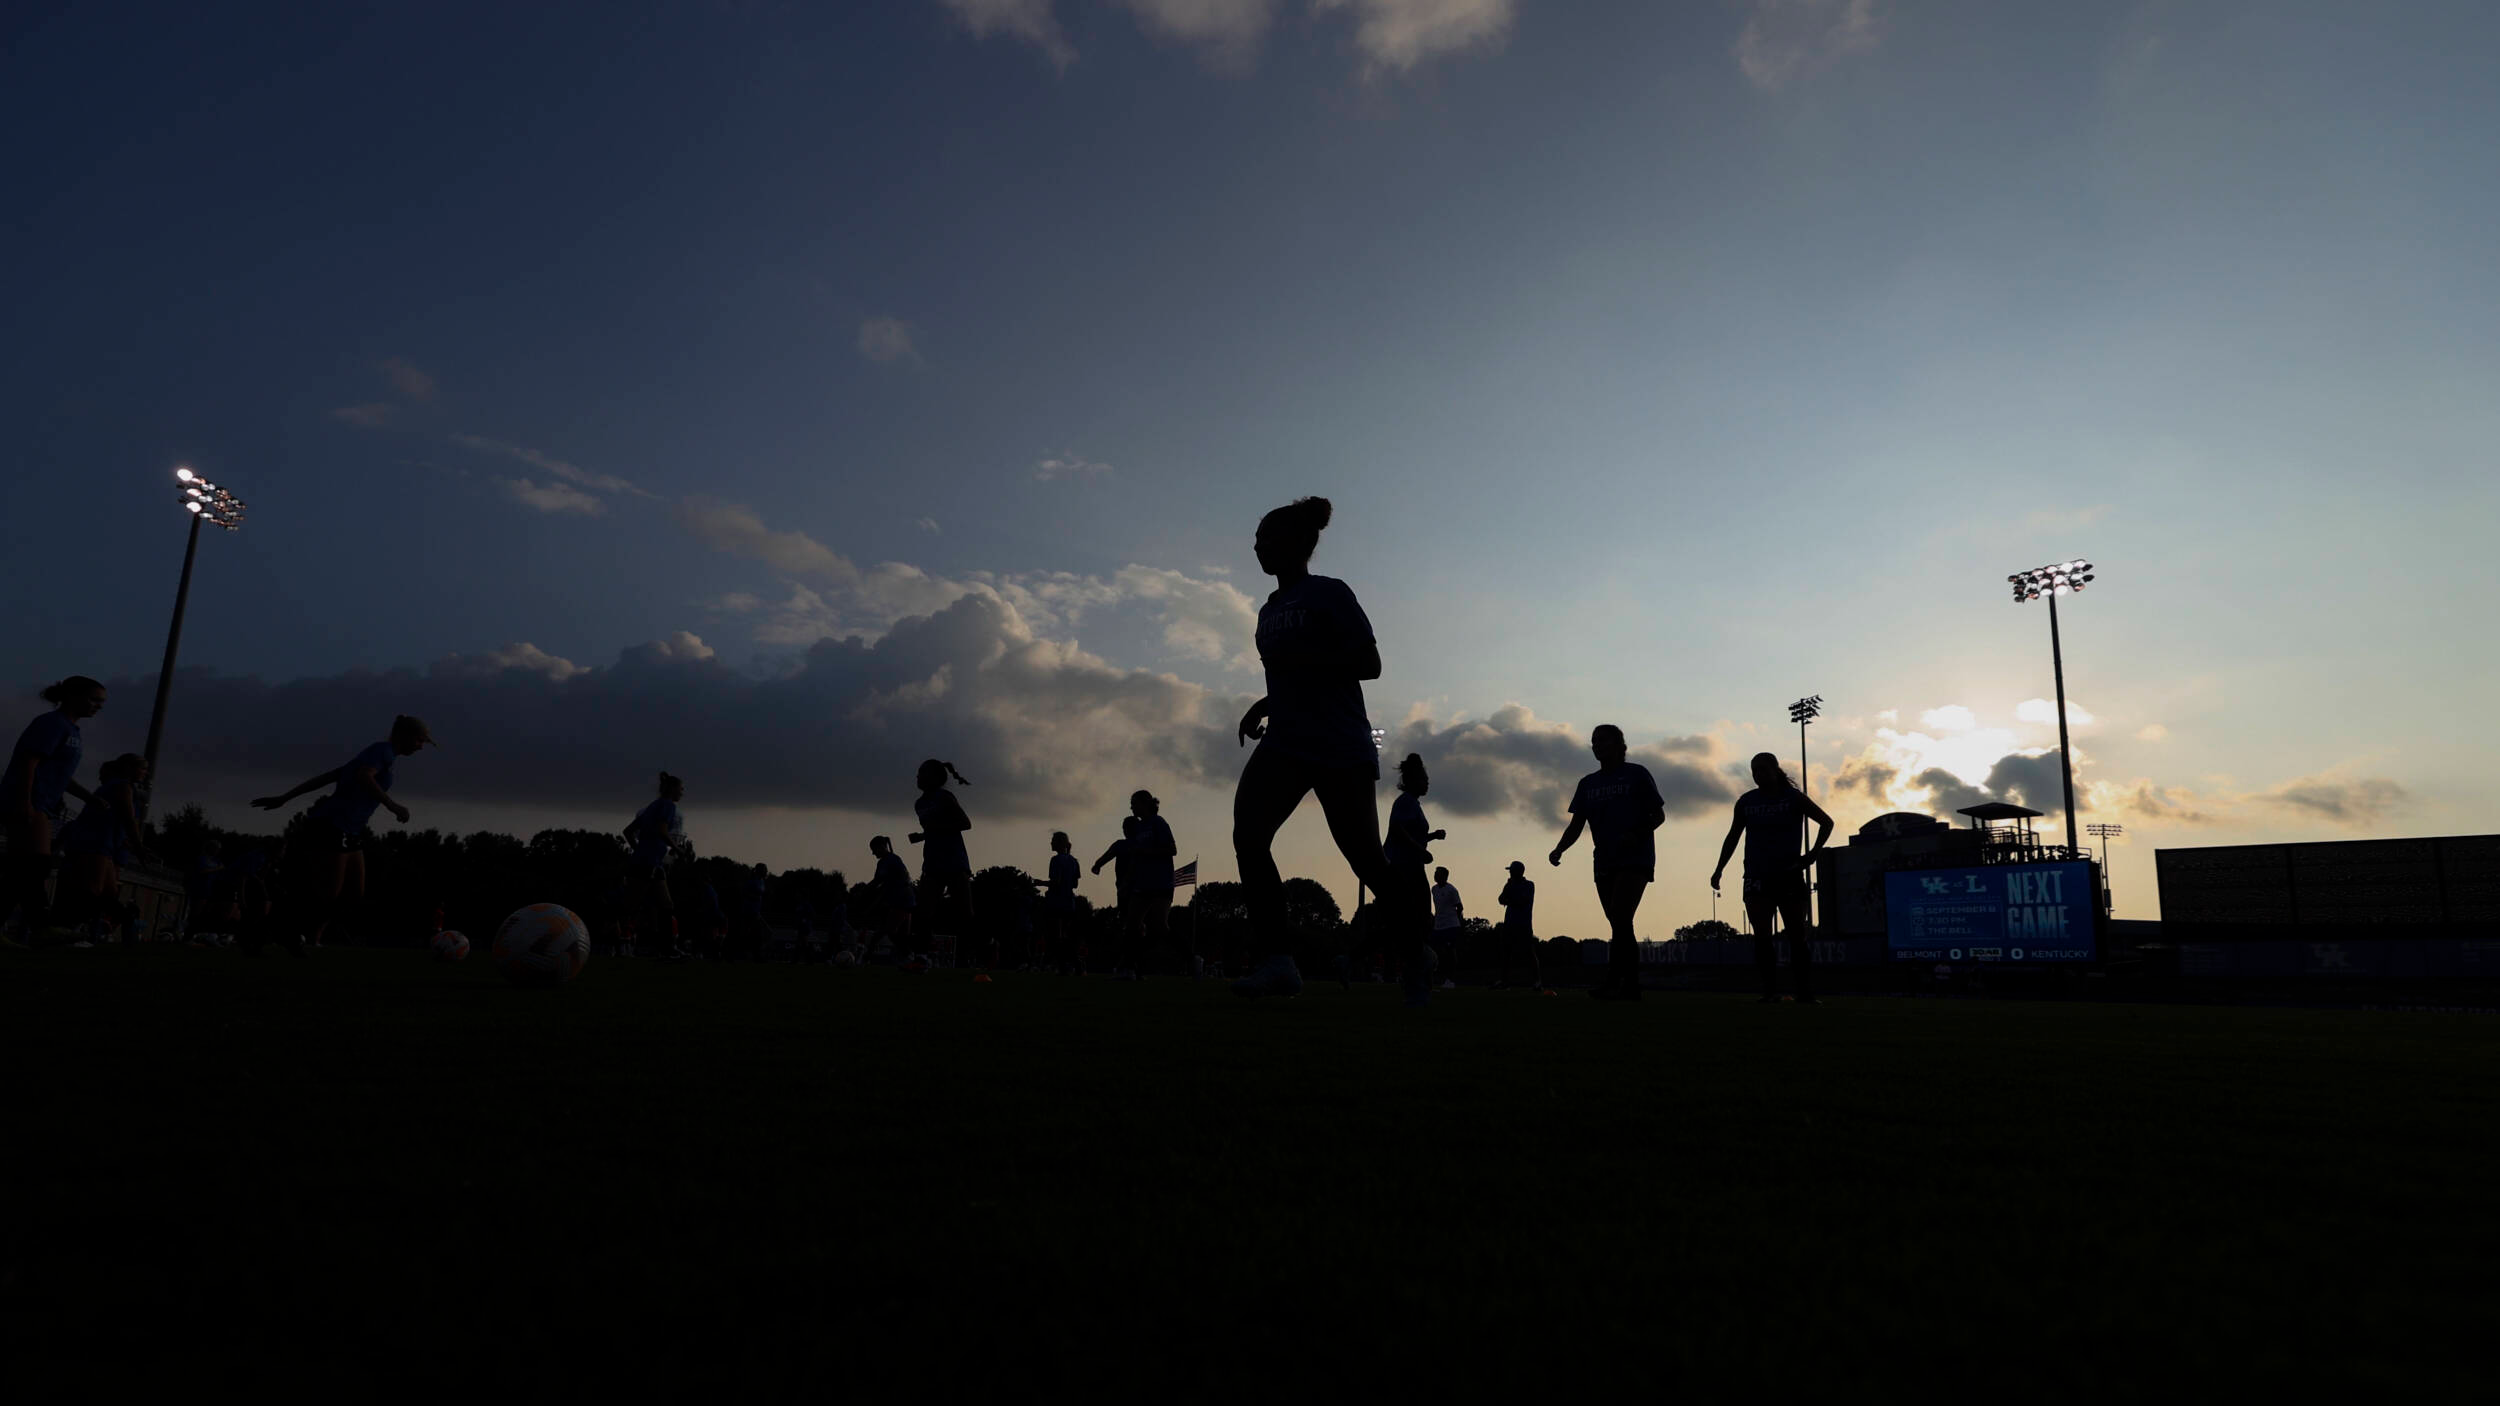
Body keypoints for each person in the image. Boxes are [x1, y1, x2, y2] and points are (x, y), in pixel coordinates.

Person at [1228, 497, 1423, 1004]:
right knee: (1249, 836)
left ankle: (1418, 952)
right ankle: (1278, 963)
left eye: (1265, 537)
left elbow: (1368, 662)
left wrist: (1306, 662)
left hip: (1339, 744)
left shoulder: (1330, 593)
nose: (1256, 546)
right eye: (1255, 539)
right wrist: (1266, 702)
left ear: (1296, 543)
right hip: (1286, 741)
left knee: (1367, 861)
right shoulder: (1268, 609)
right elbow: (1294, 674)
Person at [249, 714, 436, 953]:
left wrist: (286, 797)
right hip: (332, 824)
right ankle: (270, 931)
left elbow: (330, 776)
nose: (421, 747)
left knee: (352, 895)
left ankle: (284, 931)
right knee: (326, 895)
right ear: (406, 736)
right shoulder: (382, 752)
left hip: (349, 829)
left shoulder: (379, 756)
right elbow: (363, 776)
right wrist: (392, 806)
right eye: (420, 741)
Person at [1549, 724, 1665, 1001]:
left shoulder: (1637, 774)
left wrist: (1635, 834)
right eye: (1594, 742)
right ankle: (1623, 983)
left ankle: (1625, 983)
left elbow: (1658, 816)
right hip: (1603, 859)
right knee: (1618, 922)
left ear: (1620, 744)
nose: (1597, 746)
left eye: (1603, 740)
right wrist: (1559, 848)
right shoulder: (1587, 784)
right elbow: (1577, 824)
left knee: (1621, 916)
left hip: (1635, 858)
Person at [1713, 752, 1836, 1004]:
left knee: (1796, 936)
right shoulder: (1746, 802)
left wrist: (1811, 855)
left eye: (1762, 769)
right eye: (1754, 770)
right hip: (1757, 876)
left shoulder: (1793, 798)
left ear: (1775, 769)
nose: (1758, 774)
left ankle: (1804, 993)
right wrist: (1719, 869)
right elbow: (1733, 836)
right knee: (1762, 936)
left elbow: (1826, 822)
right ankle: (1769, 992)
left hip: (1789, 876)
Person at [4, 675, 104, 941]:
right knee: (36, 864)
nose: (98, 706)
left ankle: (38, 927)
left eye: (101, 702)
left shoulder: (72, 731)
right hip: (30, 799)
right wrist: (24, 801)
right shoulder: (51, 724)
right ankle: (41, 927)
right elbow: (29, 762)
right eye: (94, 699)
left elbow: (58, 772)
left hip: (43, 803)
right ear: (71, 696)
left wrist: (88, 797)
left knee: (21, 869)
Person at [54, 753, 155, 946]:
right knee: (91, 891)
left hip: (102, 843)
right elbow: (128, 818)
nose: (145, 773)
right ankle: (65, 928)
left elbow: (117, 820)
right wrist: (138, 846)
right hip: (95, 842)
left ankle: (126, 924)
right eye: (142, 768)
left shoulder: (115, 786)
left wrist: (128, 844)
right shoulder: (122, 786)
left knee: (107, 894)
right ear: (128, 768)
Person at [1381, 753, 1444, 993]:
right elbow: (1397, 830)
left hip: (1410, 864)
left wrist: (1431, 837)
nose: (1427, 784)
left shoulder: (1412, 803)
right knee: (1418, 920)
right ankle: (1414, 971)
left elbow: (1410, 832)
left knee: (1413, 920)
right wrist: (1421, 850)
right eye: (1424, 780)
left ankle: (1415, 971)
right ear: (1413, 780)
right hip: (1405, 866)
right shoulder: (1406, 801)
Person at [907, 759, 974, 970]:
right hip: (933, 862)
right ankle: (921, 958)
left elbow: (965, 823)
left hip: (955, 861)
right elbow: (932, 830)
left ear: (935, 778)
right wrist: (922, 836)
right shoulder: (919, 804)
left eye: (921, 773)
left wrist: (934, 830)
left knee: (965, 914)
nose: (917, 777)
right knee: (924, 912)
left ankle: (966, 959)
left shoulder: (945, 797)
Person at [624, 772, 691, 960]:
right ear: (672, 789)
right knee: (631, 907)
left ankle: (666, 948)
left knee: (665, 905)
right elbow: (662, 831)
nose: (682, 792)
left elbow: (628, 832)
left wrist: (639, 850)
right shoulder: (668, 806)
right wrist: (677, 849)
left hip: (649, 862)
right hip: (648, 863)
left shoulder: (651, 807)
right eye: (681, 788)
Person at [1128, 790, 1182, 976]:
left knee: (1160, 926)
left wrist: (1147, 853)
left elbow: (1172, 849)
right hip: (1143, 883)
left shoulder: (1158, 823)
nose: (1131, 807)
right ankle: (1130, 966)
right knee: (1132, 923)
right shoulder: (1139, 827)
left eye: (1134, 803)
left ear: (1145, 803)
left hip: (1161, 882)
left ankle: (1191, 957)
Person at [1092, 816, 1142, 979]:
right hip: (1133, 891)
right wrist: (1097, 865)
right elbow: (1104, 858)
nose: (1124, 830)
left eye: (1126, 827)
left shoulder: (1125, 845)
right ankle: (1131, 966)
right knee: (1135, 928)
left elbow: (1104, 858)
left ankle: (1128, 966)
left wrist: (1097, 865)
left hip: (1131, 891)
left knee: (1131, 928)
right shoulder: (1128, 845)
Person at [1033, 831, 1081, 974]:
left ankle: (1070, 964)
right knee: (1063, 936)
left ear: (1059, 843)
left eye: (1053, 840)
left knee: (1055, 937)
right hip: (1069, 903)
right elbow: (1075, 884)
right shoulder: (1074, 861)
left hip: (1056, 902)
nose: (1051, 843)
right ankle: (1066, 966)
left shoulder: (1055, 860)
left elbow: (1056, 882)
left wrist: (1040, 882)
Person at [868, 836, 914, 963]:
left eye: (874, 849)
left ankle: (865, 959)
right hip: (905, 899)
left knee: (886, 932)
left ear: (881, 847)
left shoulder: (889, 861)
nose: (873, 853)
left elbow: (878, 881)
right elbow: (884, 885)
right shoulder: (891, 860)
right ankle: (908, 958)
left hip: (902, 900)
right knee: (901, 936)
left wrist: (863, 890)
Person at [1496, 860, 1540, 990]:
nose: (1509, 873)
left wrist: (1510, 898)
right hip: (1509, 923)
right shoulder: (1508, 885)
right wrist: (1510, 894)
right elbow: (1501, 899)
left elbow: (1522, 900)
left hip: (1523, 923)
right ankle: (1504, 981)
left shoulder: (1529, 885)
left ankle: (1537, 981)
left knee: (1529, 952)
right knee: (1506, 952)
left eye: (1511, 871)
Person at [1430, 867, 1464, 990]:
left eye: (1437, 873)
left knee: (1450, 951)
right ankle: (1439, 977)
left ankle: (1451, 979)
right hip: (1438, 926)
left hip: (1451, 925)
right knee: (1439, 952)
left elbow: (1459, 907)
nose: (1435, 875)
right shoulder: (1433, 889)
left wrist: (1457, 921)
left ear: (1444, 876)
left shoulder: (1451, 890)